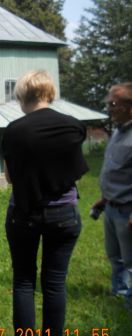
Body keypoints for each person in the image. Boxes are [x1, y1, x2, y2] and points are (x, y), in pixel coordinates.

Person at [1, 71, 88, 336]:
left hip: (24, 214)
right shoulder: (74, 127)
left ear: (23, 96)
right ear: (49, 94)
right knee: (54, 284)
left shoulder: (13, 131)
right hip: (64, 215)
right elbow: (73, 167)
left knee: (24, 281)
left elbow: (10, 177)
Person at [91, 83, 132, 306]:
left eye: (113, 104)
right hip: (112, 206)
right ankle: (120, 293)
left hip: (128, 210)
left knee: (130, 260)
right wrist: (105, 198)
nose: (109, 108)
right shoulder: (117, 132)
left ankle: (129, 302)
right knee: (114, 256)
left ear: (129, 106)